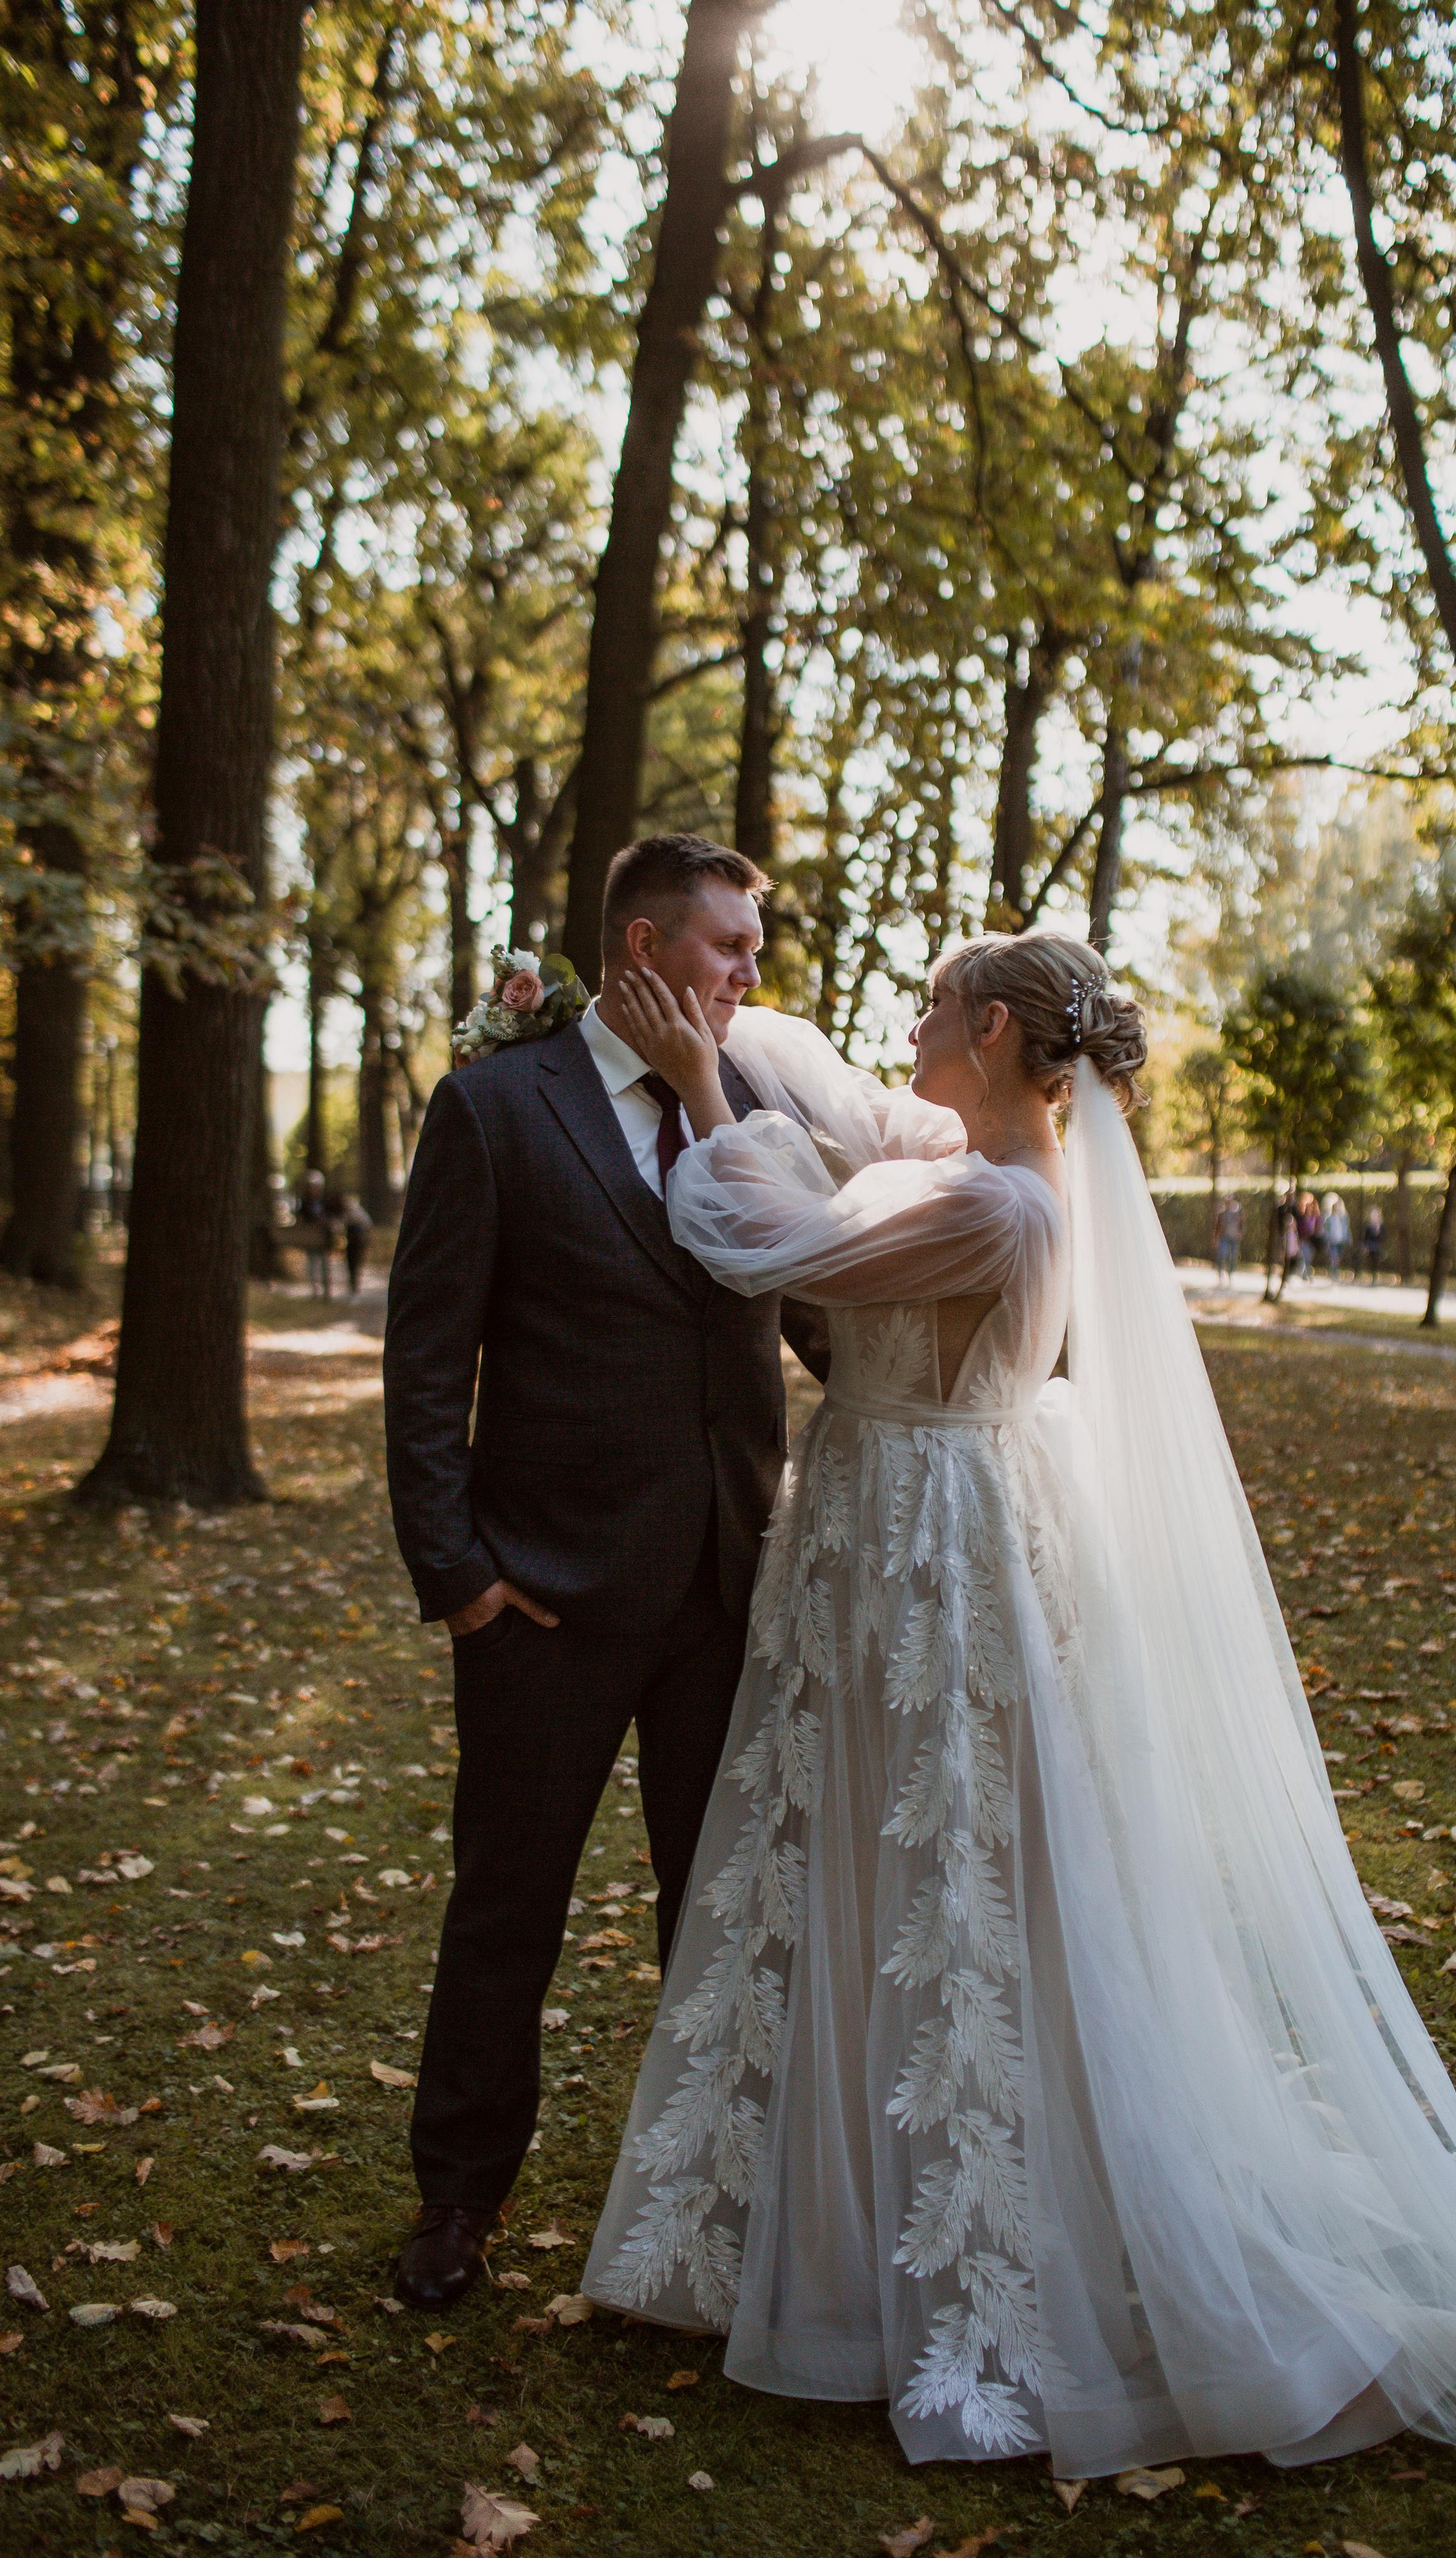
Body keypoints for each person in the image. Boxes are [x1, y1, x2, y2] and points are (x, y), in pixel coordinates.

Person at [580, 928, 1456, 2492]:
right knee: (863, 1863)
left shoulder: (996, 1198)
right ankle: (819, 2223)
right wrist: (724, 1023)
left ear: (983, 1028)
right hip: (887, 1530)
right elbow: (852, 1120)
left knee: (944, 1880)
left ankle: (933, 2261)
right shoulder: (975, 1151)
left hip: (931, 1548)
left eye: (927, 1007)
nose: (902, 1026)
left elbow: (775, 1244)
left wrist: (702, 1082)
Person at [381, 832, 829, 2312]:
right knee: (507, 1904)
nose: (750, 976)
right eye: (726, 950)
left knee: (712, 1908)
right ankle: (456, 2197)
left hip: (725, 1586)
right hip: (545, 1600)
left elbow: (821, 1323)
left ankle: (723, 2193)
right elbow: (428, 1358)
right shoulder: (496, 1107)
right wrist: (458, 1577)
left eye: (753, 953)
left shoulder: (751, 1101)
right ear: (643, 952)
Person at [294, 1168, 333, 1299]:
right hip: (311, 1237)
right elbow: (300, 1217)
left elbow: (332, 1216)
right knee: (312, 1263)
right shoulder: (305, 1202)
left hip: (323, 1236)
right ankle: (315, 1290)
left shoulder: (325, 1201)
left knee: (324, 1263)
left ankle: (326, 1289)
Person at [341, 1193, 372, 1298]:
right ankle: (353, 1285)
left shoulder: (357, 1215)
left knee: (355, 1264)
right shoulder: (354, 1214)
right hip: (353, 1242)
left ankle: (354, 1285)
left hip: (357, 1242)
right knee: (353, 1264)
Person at [1211, 1192, 1244, 1288]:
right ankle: (1220, 1275)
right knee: (1222, 1255)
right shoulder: (1222, 1213)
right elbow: (1217, 1226)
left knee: (1233, 1257)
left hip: (1234, 1238)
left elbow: (1242, 1223)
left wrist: (1241, 1233)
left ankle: (1230, 1275)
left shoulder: (1238, 1212)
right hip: (1224, 1237)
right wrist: (1215, 1238)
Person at [1321, 1192, 1351, 1280]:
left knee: (1338, 1258)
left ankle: (1335, 1272)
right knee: (1335, 1257)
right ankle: (1334, 1274)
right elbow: (1325, 1230)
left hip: (1341, 1241)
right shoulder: (1328, 1217)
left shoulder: (1344, 1216)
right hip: (1332, 1241)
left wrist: (1349, 1238)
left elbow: (1347, 1228)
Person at [1295, 1190, 1321, 1280]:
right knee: (1304, 1256)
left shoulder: (1316, 1215)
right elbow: (1298, 1227)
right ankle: (1304, 1274)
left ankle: (1305, 1273)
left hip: (1312, 1240)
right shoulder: (1301, 1215)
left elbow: (1319, 1227)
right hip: (1303, 1239)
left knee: (1308, 1256)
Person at [1361, 1199, 1385, 1282]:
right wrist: (1365, 1247)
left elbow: (1383, 1237)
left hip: (1378, 1247)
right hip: (1370, 1246)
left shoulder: (1381, 1226)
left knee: (1377, 1255)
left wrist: (1378, 1232)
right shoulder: (1368, 1226)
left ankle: (1375, 1276)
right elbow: (1365, 1238)